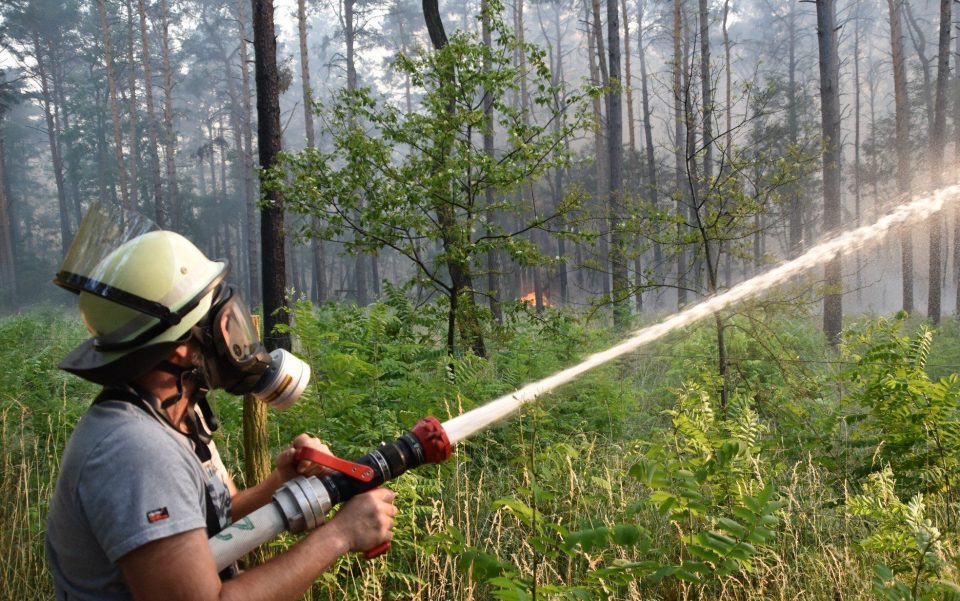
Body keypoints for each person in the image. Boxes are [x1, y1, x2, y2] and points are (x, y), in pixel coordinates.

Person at [45, 203, 396, 601]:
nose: (240, 339)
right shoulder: (138, 452)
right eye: (224, 319)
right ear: (180, 346)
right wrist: (339, 535)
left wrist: (277, 484)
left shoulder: (174, 412)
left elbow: (211, 517)